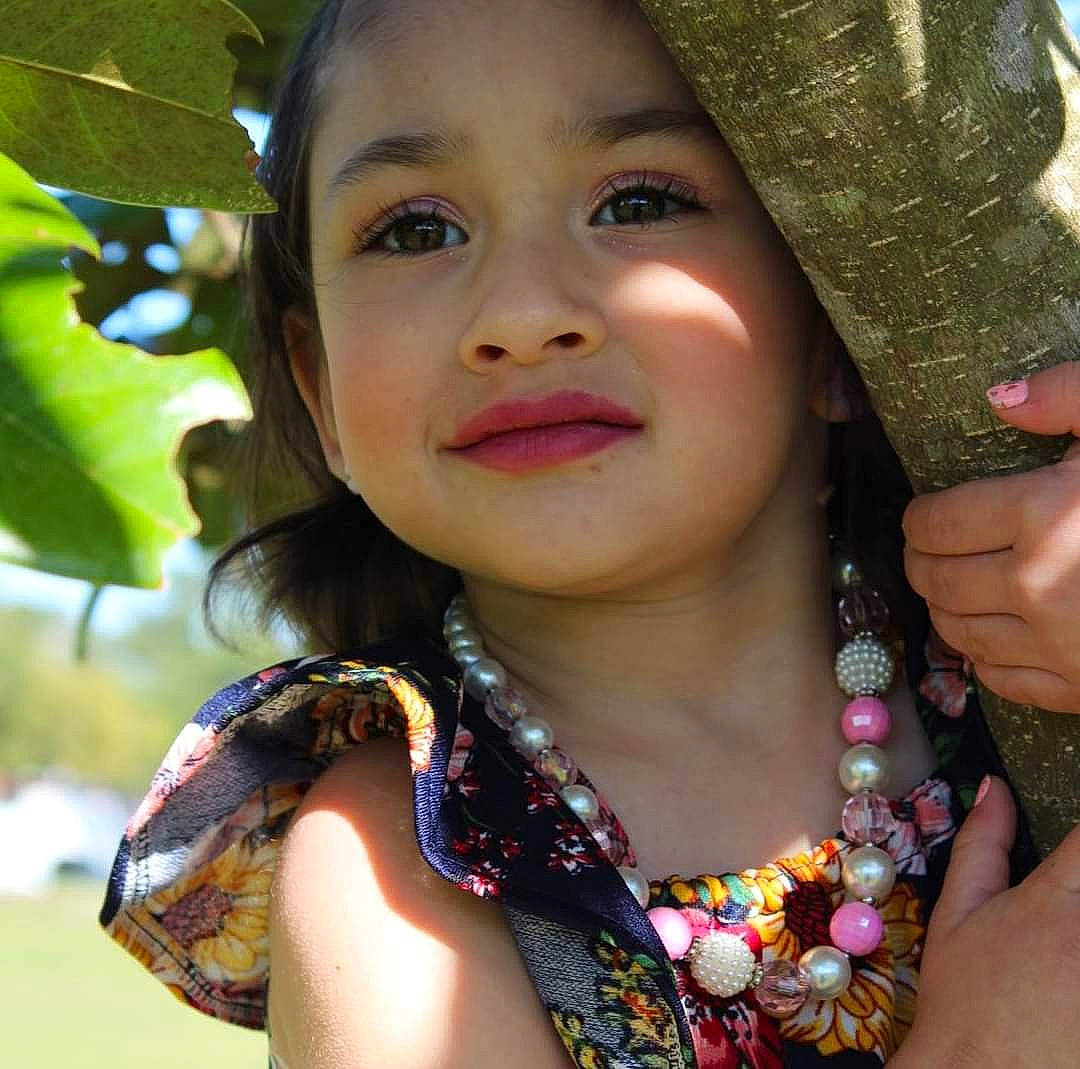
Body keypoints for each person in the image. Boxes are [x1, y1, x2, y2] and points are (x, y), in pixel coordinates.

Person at [99, 1, 1080, 1066]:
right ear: (318, 385)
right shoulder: (389, 865)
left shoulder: (1018, 644)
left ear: (835, 326)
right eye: (415, 230)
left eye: (640, 202)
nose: (520, 315)